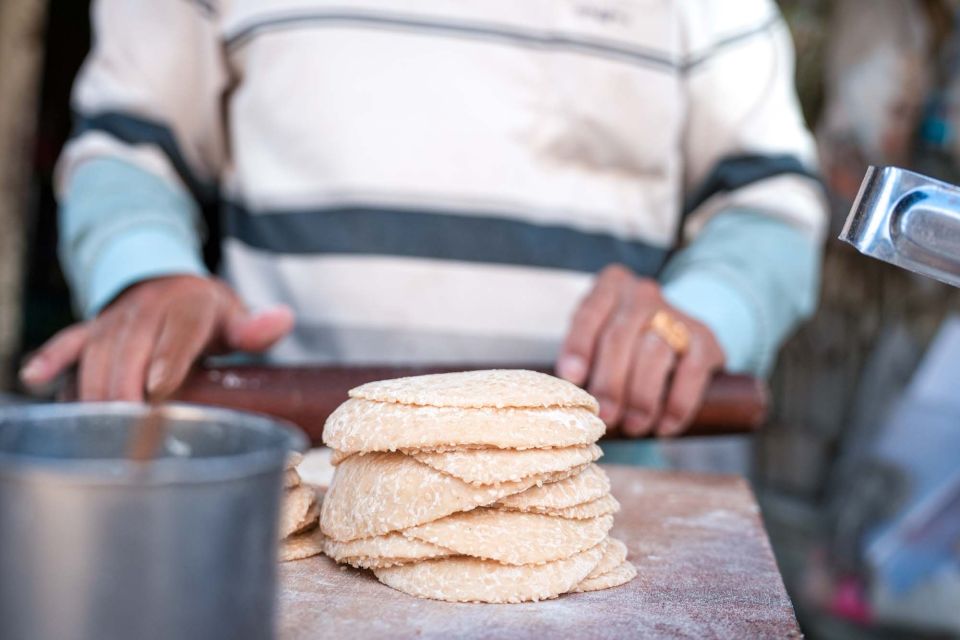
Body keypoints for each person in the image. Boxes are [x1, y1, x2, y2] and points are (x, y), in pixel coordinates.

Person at [21, 0, 825, 439]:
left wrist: (699, 316)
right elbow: (129, 143)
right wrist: (149, 270)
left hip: (598, 482)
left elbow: (770, 200)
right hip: (299, 487)